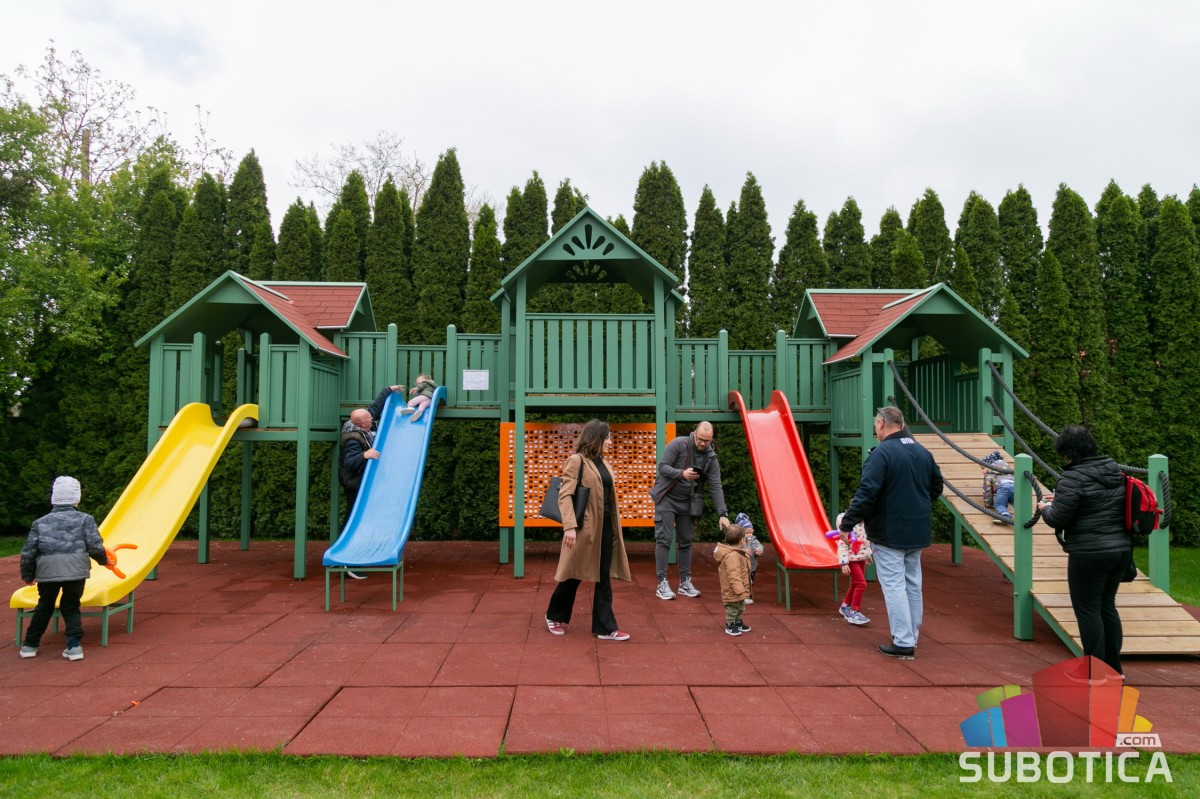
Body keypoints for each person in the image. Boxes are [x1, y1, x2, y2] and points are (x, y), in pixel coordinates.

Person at [838, 406, 943, 660]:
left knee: (894, 585)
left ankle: (903, 641)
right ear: (903, 424)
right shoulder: (922, 452)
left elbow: (867, 492)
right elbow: (936, 486)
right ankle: (911, 636)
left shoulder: (882, 454)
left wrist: (847, 524)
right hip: (917, 529)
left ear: (881, 424)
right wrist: (917, 505)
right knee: (913, 584)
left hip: (889, 531)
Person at [1038, 424, 1132, 675]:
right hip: (1120, 550)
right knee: (1107, 606)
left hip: (1089, 552)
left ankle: (1093, 671)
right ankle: (1114, 669)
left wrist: (1044, 508)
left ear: (1066, 451)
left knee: (1088, 609)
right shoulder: (1114, 470)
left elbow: (1058, 519)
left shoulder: (1072, 477)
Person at [545, 419, 633, 641]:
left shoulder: (603, 463)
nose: (611, 442)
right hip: (584, 529)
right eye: (608, 437)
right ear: (596, 438)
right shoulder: (577, 461)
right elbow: (565, 495)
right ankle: (553, 615)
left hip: (606, 528)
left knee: (603, 576)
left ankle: (605, 627)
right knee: (573, 574)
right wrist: (569, 526)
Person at [18, 476, 111, 661]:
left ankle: (30, 645)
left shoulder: (40, 522)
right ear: (77, 498)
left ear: (54, 498)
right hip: (76, 570)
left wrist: (27, 575)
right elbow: (95, 546)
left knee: (44, 606)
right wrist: (104, 561)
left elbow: (28, 553)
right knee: (71, 607)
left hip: (48, 571)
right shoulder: (86, 519)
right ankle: (74, 646)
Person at [649, 421, 730, 600]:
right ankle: (662, 583)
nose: (702, 443)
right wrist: (682, 473)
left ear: (711, 439)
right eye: (700, 439)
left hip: (688, 502)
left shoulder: (711, 458)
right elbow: (662, 467)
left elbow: (715, 485)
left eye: (707, 441)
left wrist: (722, 514)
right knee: (664, 540)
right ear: (694, 433)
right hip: (666, 498)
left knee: (686, 542)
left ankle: (685, 582)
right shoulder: (679, 444)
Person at [338, 383, 404, 578]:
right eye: (368, 420)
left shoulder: (363, 422)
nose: (372, 419)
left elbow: (374, 409)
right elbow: (349, 463)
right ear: (361, 424)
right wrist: (364, 455)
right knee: (353, 520)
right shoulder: (353, 439)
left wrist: (388, 390)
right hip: (355, 485)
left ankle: (355, 556)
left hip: (363, 482)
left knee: (360, 520)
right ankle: (345, 562)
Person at [834, 512, 873, 626]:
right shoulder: (847, 524)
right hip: (851, 560)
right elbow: (842, 545)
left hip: (860, 558)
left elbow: (865, 542)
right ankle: (854, 611)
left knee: (855, 583)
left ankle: (845, 606)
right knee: (861, 584)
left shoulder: (864, 525)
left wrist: (867, 555)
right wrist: (843, 563)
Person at [715, 519, 752, 636]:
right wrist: (739, 589)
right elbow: (733, 575)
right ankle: (730, 624)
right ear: (742, 541)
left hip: (739, 588)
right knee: (732, 608)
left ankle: (737, 621)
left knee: (740, 607)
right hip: (733, 590)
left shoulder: (738, 553)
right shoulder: (732, 556)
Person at [733, 512, 764, 604]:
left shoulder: (754, 540)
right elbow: (734, 550)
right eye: (747, 533)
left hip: (752, 566)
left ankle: (746, 595)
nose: (749, 534)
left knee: (750, 582)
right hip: (741, 566)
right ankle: (743, 596)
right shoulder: (738, 541)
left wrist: (759, 551)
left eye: (751, 532)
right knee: (743, 581)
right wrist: (743, 551)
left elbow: (760, 546)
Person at [982, 450, 1015, 524]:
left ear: (989, 467)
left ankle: (1004, 516)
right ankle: (1021, 515)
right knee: (1015, 502)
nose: (982, 471)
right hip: (1015, 487)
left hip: (1003, 487)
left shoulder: (990, 475)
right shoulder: (1010, 472)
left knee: (999, 504)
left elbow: (987, 490)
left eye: (983, 468)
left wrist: (989, 503)